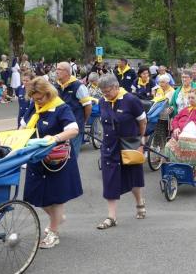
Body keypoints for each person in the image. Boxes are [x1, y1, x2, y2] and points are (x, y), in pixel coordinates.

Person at [20, 78, 83, 249]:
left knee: (56, 197)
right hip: (36, 158)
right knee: (36, 195)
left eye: (40, 98)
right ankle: (58, 218)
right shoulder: (35, 106)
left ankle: (54, 232)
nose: (37, 101)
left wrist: (53, 139)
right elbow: (23, 127)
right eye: (34, 98)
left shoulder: (62, 108)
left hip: (57, 160)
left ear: (48, 93)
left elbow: (73, 130)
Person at [96, 74, 147, 230]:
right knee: (109, 179)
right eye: (103, 92)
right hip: (109, 145)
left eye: (108, 91)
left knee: (133, 177)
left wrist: (140, 141)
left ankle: (139, 202)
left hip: (128, 144)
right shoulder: (102, 101)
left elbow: (143, 121)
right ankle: (111, 217)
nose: (105, 94)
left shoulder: (131, 100)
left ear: (116, 87)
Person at [55, 62, 92, 157]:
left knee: (72, 157)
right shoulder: (56, 86)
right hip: (60, 126)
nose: (56, 71)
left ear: (67, 72)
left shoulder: (78, 86)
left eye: (59, 69)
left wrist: (83, 121)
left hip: (74, 126)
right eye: (56, 69)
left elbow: (88, 106)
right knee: (60, 157)